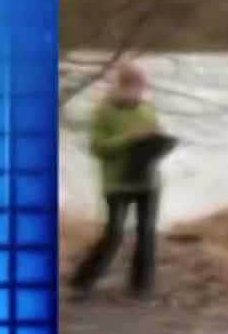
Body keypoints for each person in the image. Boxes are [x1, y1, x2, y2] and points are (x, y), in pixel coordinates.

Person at [67, 60, 165, 301]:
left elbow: (154, 137)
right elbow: (98, 148)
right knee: (114, 234)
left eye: (140, 85)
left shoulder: (148, 109)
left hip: (147, 180)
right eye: (130, 85)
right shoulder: (103, 112)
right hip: (117, 183)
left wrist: (159, 142)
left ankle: (141, 287)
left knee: (146, 233)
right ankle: (81, 281)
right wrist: (130, 138)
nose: (136, 90)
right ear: (119, 85)